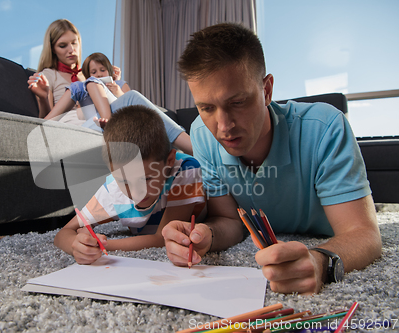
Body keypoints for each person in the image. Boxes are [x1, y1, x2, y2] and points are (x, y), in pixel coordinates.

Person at [161, 23, 382, 295]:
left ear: (266, 90)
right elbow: (230, 221)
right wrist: (206, 236)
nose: (223, 126)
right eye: (207, 108)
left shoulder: (325, 127)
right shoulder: (201, 135)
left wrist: (320, 260)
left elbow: (365, 234)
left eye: (238, 102)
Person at [54, 105, 206, 264]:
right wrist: (76, 246)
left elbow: (163, 237)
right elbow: (63, 233)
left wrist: (104, 245)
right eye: (125, 181)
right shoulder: (112, 189)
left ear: (169, 161)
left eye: (146, 179)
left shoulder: (185, 170)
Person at [29, 19, 193, 155]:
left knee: (138, 112)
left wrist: (112, 84)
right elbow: (46, 119)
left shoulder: (87, 74)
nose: (71, 50)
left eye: (74, 43)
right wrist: (43, 97)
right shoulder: (49, 74)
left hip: (98, 114)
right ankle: (196, 150)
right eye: (63, 45)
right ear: (53, 49)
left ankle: (183, 157)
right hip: (80, 121)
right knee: (133, 99)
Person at [44, 52, 130, 128]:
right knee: (77, 86)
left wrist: (118, 93)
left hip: (115, 119)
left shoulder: (119, 84)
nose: (99, 74)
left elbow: (133, 106)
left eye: (102, 70)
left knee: (92, 83)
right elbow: (81, 117)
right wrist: (83, 102)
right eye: (94, 72)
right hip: (93, 119)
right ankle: (43, 124)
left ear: (109, 71)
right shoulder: (85, 88)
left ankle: (107, 123)